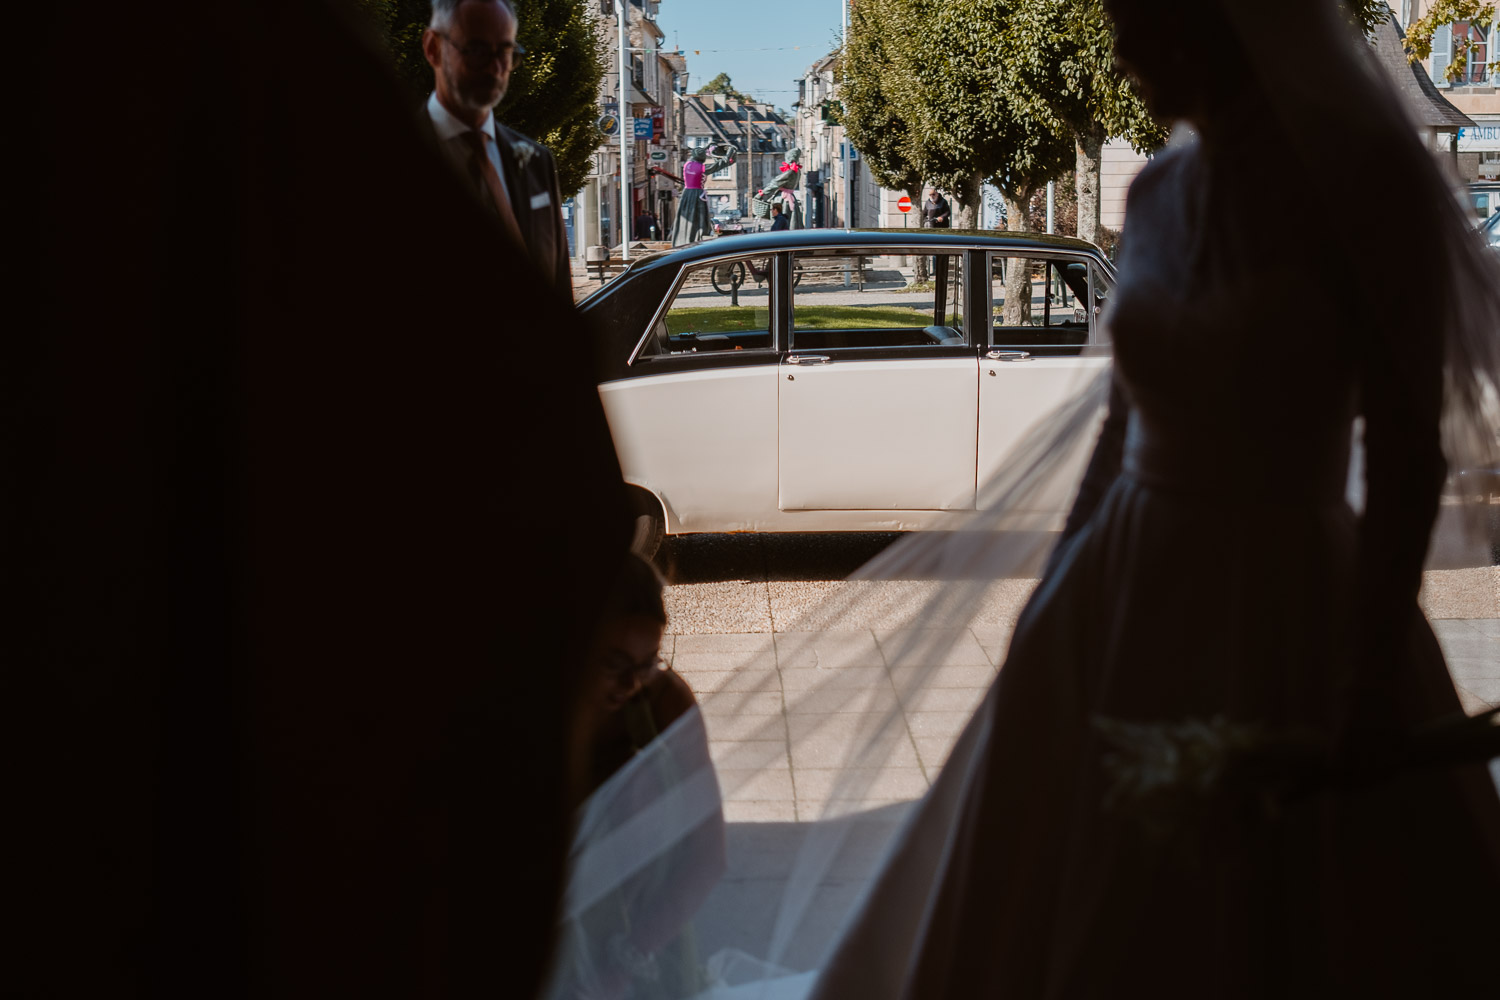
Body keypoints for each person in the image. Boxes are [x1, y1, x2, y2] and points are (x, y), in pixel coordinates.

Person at [805, 1, 1500, 996]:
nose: (1120, 49)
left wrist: (1370, 669)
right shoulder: (1159, 191)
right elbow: (1120, 421)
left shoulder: (1363, 182)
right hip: (1123, 573)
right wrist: (1057, 590)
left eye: (1141, 18)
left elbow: (1406, 450)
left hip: (1287, 592)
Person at [548, 553, 727, 1000]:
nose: (632, 684)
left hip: (644, 943)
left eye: (648, 662)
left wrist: (629, 957)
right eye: (614, 663)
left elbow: (709, 853)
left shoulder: (664, 703)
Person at [422, 0, 571, 293]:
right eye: (477, 50)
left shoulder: (538, 162)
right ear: (433, 48)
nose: (496, 67)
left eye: (505, 51)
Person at [652, 145, 737, 245]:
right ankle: (698, 238)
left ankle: (682, 238)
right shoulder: (700, 168)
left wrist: (708, 147)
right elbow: (719, 165)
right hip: (696, 194)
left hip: (686, 193)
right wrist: (730, 152)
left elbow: (698, 152)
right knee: (699, 218)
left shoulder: (688, 164)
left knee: (686, 217)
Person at [756, 148, 805, 229]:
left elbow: (776, 182)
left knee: (780, 221)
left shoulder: (791, 171)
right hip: (789, 197)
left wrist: (763, 193)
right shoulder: (796, 170)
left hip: (783, 199)